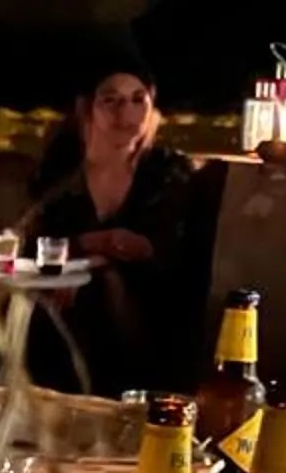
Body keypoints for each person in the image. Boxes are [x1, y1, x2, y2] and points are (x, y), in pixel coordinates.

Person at [25, 46, 204, 395]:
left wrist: (91, 258)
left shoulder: (167, 170)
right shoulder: (58, 172)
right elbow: (40, 244)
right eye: (111, 100)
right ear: (86, 107)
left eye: (138, 100)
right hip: (64, 296)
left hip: (151, 302)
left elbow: (155, 250)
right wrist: (94, 250)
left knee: (98, 293)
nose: (127, 113)